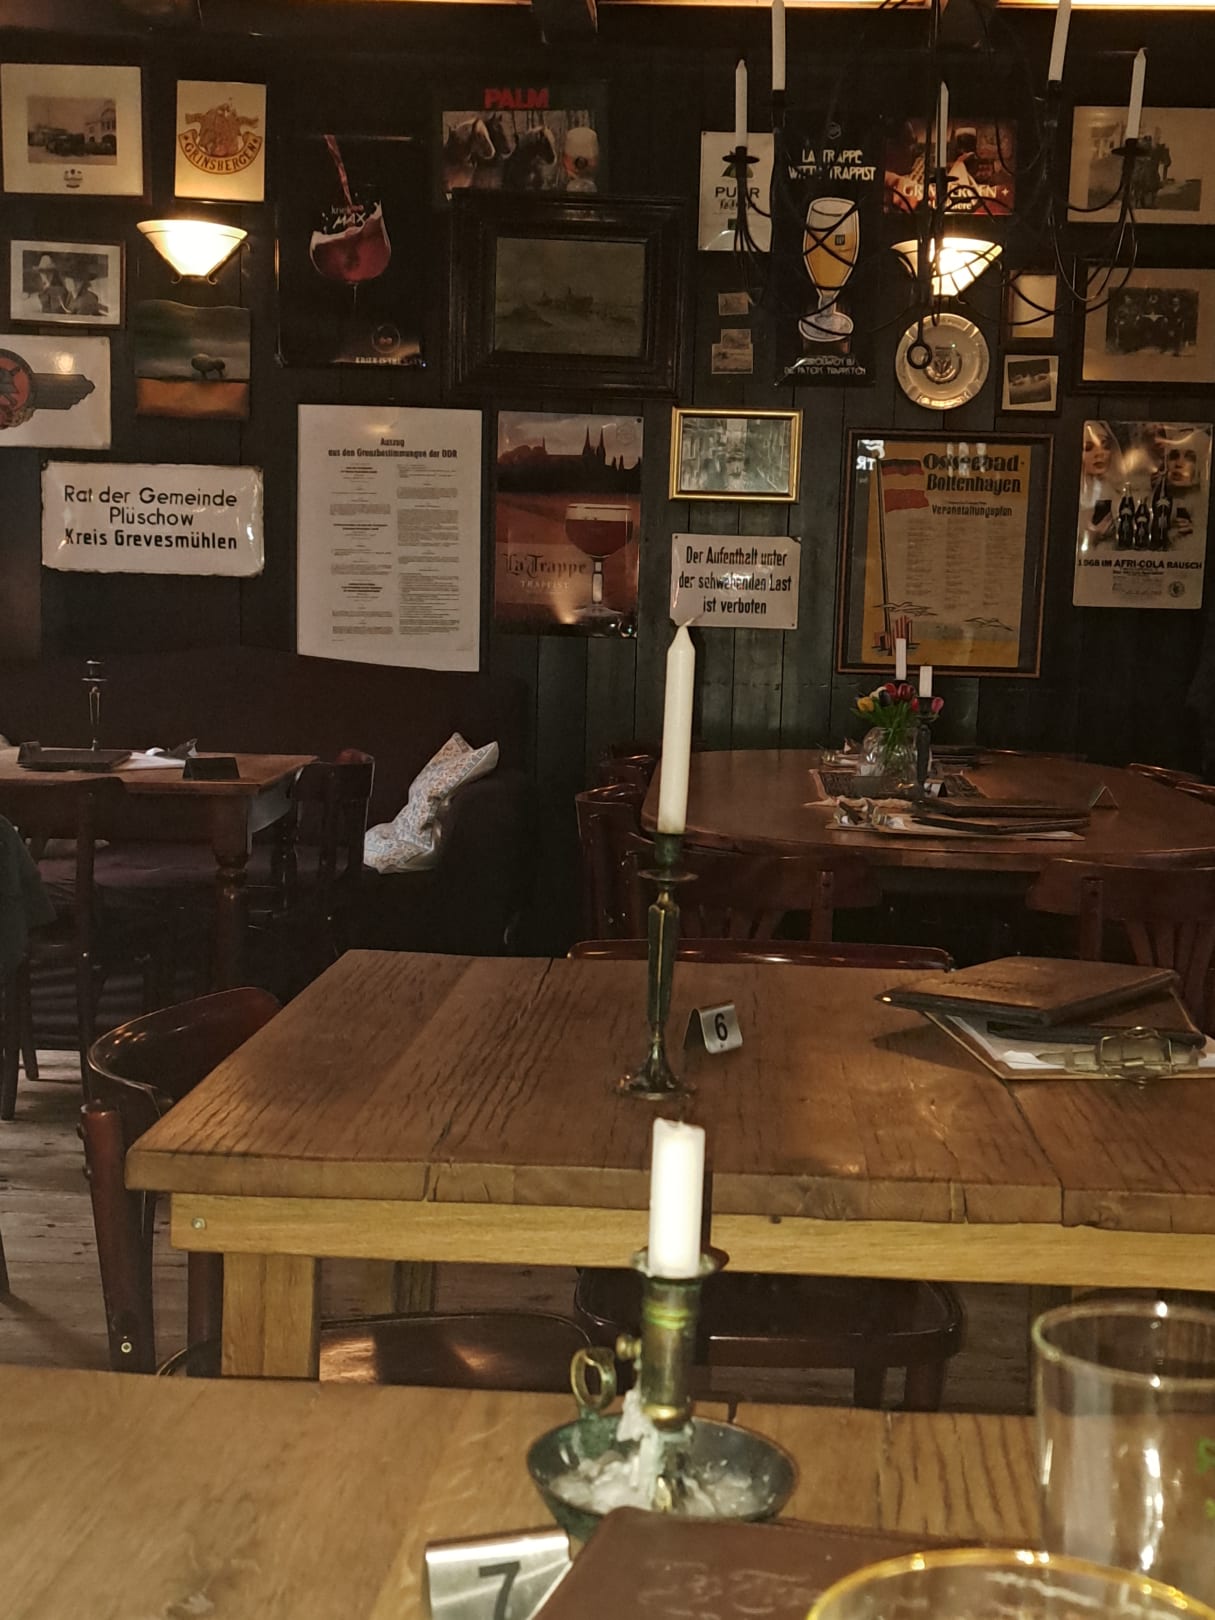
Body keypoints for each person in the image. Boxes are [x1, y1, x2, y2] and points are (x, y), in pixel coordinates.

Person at [1078, 421, 1125, 549]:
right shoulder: (1066, 497)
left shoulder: (1120, 494)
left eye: (1105, 446)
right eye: (1088, 447)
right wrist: (1091, 537)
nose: (1100, 453)